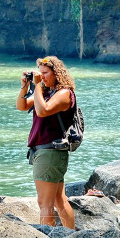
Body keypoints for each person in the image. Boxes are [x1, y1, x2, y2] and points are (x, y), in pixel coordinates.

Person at [17, 55, 76, 229]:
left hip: (50, 151)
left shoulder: (64, 94)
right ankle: (70, 236)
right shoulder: (45, 92)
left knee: (44, 203)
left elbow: (43, 111)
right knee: (58, 199)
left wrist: (37, 86)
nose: (42, 76)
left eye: (45, 73)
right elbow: (21, 106)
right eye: (40, 73)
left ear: (56, 73)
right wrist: (25, 87)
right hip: (43, 151)